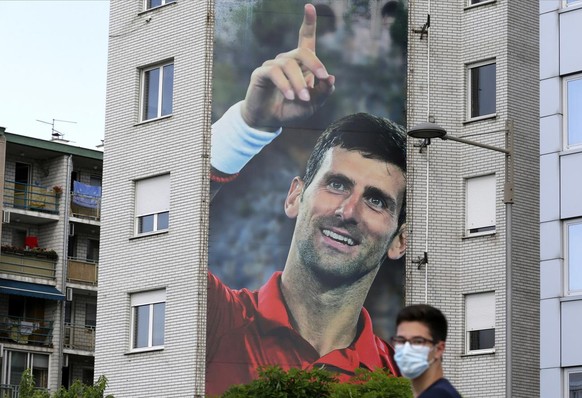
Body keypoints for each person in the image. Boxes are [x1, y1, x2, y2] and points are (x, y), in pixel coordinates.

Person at [206, 4, 407, 395]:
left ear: (401, 240)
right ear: (295, 195)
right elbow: (157, 224)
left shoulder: (402, 384)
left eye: (377, 201)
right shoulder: (212, 317)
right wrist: (250, 125)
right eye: (336, 184)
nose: (348, 212)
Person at [391, 305, 462, 398]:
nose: (406, 350)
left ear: (439, 349)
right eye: (401, 340)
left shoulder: (438, 395)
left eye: (418, 341)